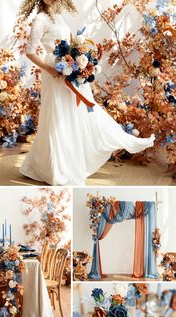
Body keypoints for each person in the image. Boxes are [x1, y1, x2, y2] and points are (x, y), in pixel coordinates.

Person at [20, 0, 155, 186]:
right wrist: (50, 69)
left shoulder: (58, 16)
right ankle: (57, 169)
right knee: (58, 116)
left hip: (68, 70)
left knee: (78, 113)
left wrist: (81, 60)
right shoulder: (40, 19)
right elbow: (30, 51)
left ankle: (121, 140)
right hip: (54, 73)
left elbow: (68, 45)